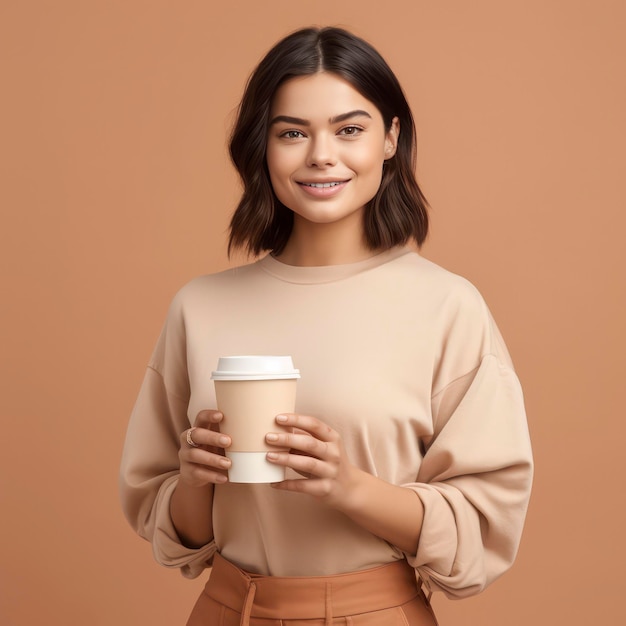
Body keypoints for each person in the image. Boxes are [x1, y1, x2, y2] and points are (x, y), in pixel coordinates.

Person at [119, 26, 533, 625]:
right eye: (292, 132)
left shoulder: (447, 306)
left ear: (391, 137)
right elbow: (177, 534)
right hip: (227, 611)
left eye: (349, 129)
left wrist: (347, 486)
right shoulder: (199, 307)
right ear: (262, 145)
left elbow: (481, 525)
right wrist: (192, 480)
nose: (321, 154)